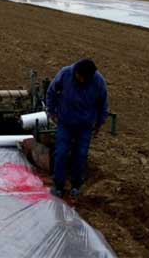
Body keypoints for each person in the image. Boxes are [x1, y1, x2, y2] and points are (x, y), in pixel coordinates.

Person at [46, 58, 108, 197]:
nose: (81, 80)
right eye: (79, 77)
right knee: (61, 153)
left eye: (85, 79)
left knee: (80, 155)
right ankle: (58, 185)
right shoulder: (65, 73)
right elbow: (51, 92)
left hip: (85, 126)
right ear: (76, 72)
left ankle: (76, 185)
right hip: (65, 123)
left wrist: (99, 123)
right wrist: (52, 111)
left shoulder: (98, 82)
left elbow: (103, 103)